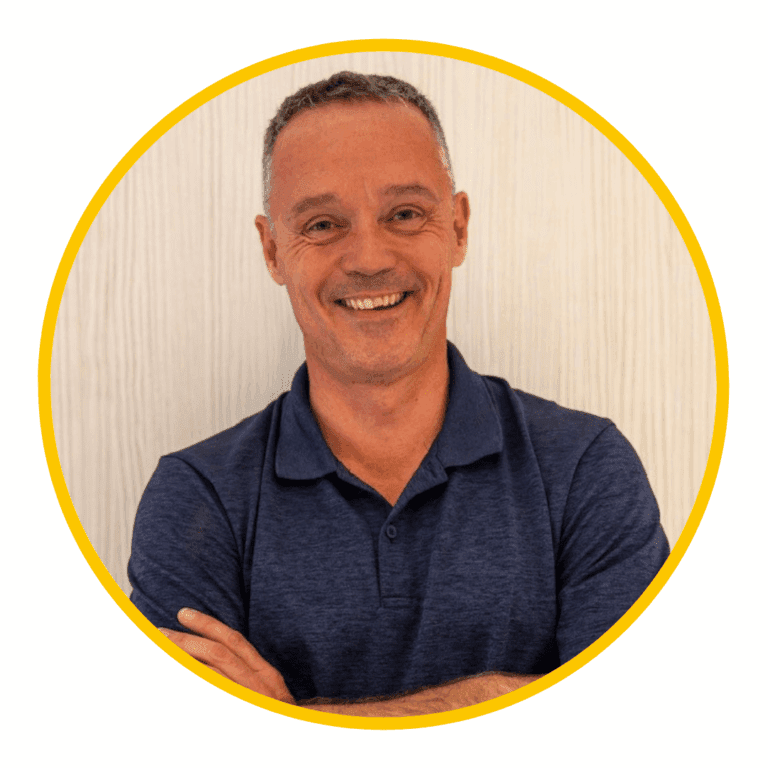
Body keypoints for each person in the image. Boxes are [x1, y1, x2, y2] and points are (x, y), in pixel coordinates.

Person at [128, 71, 670, 716]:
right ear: (273, 250)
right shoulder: (198, 495)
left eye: (405, 214)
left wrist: (289, 721)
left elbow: (628, 728)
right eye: (324, 224)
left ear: (459, 227)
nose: (368, 258)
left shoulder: (585, 469)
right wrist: (499, 700)